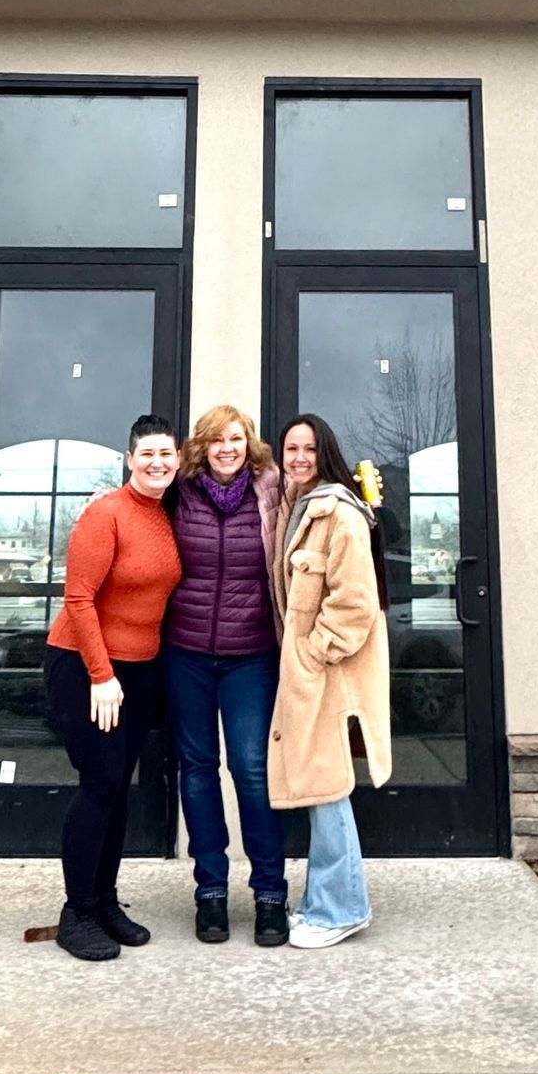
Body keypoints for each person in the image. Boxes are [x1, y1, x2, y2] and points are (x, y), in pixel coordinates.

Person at [43, 414, 183, 963]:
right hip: (86, 665)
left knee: (118, 788)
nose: (157, 463)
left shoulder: (166, 513)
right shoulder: (106, 513)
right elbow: (78, 599)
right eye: (147, 454)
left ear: (177, 460)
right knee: (100, 785)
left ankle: (103, 902)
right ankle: (75, 912)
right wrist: (101, 675)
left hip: (141, 670)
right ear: (129, 459)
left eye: (166, 454)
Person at [163, 403, 290, 946]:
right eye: (216, 439)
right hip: (186, 654)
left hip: (251, 657)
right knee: (197, 769)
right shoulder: (180, 491)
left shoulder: (272, 490)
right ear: (202, 446)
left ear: (249, 443)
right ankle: (210, 891)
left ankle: (270, 894)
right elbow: (135, 504)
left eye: (235, 438)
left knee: (251, 770)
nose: (226, 449)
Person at [270, 414, 392, 947]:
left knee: (328, 787)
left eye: (310, 448)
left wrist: (313, 652)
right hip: (310, 673)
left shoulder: (338, 512)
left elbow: (355, 603)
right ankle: (324, 901)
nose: (299, 457)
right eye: (291, 448)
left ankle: (342, 908)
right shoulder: (297, 506)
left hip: (330, 674)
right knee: (321, 785)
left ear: (326, 453)